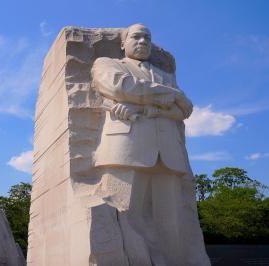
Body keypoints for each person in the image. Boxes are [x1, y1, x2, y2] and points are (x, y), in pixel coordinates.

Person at [90, 24, 210, 266]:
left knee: (172, 224)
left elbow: (184, 109)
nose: (143, 41)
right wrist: (170, 96)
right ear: (123, 43)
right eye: (136, 36)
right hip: (126, 147)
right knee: (124, 214)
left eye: (147, 37)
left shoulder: (165, 76)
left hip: (168, 152)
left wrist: (146, 107)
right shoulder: (109, 64)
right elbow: (117, 86)